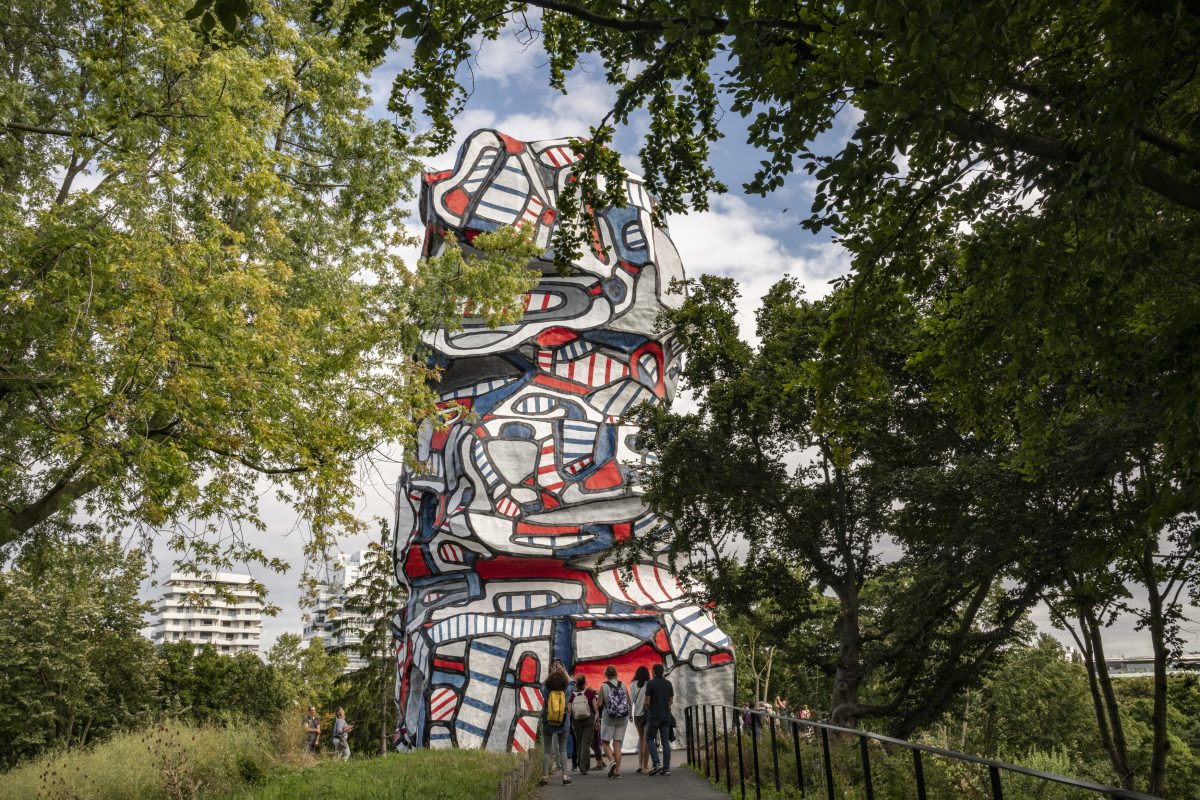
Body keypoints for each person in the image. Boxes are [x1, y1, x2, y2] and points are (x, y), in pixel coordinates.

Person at [540, 660, 572, 786]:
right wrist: (564, 671)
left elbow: (542, 684)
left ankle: (545, 777)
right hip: (563, 723)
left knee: (547, 750)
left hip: (548, 723)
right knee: (563, 750)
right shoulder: (567, 690)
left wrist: (551, 673)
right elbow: (572, 682)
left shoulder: (546, 691)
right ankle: (565, 777)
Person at [598, 665, 631, 778]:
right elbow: (628, 701)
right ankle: (617, 772)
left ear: (606, 675)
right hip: (622, 718)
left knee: (605, 743)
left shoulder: (604, 686)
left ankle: (612, 761)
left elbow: (599, 704)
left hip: (609, 718)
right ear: (616, 674)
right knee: (617, 745)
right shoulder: (622, 684)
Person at [644, 662, 674, 776]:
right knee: (665, 740)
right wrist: (665, 708)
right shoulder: (668, 683)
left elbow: (647, 701)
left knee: (650, 738)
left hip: (654, 716)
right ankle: (666, 768)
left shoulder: (650, 684)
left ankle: (656, 763)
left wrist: (649, 709)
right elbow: (671, 701)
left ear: (653, 672)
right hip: (666, 716)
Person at [568, 673, 598, 774]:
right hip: (589, 720)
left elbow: (569, 711)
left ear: (576, 684)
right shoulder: (589, 693)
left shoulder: (573, 695)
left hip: (576, 721)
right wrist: (597, 719)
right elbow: (595, 708)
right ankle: (584, 767)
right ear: (585, 683)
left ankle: (583, 766)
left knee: (579, 743)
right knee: (586, 743)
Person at [630, 665, 651, 773]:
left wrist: (630, 714)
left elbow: (632, 700)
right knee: (646, 739)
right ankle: (645, 765)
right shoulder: (649, 684)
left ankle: (639, 764)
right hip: (647, 713)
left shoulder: (633, 684)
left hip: (637, 715)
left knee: (641, 738)